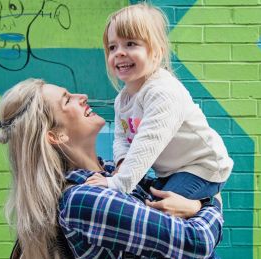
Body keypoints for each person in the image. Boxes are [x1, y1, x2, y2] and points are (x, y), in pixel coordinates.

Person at [0, 78, 224, 259]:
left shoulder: (112, 172)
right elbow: (197, 243)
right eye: (67, 100)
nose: (82, 96)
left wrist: (195, 206)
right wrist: (207, 204)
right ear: (56, 135)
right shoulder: (83, 200)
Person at [86, 3, 233, 203]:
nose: (119, 52)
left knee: (157, 209)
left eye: (130, 43)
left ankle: (206, 202)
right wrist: (121, 163)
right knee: (145, 201)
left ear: (156, 51)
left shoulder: (162, 92)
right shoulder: (123, 98)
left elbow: (147, 144)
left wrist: (118, 183)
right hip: (170, 171)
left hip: (201, 167)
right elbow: (121, 137)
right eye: (113, 47)